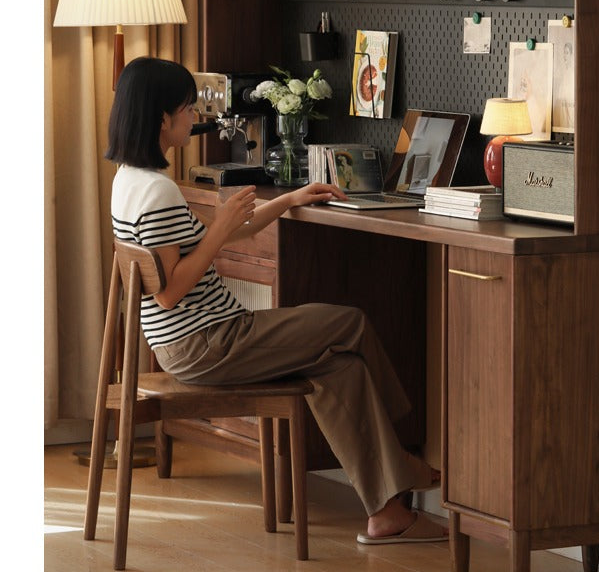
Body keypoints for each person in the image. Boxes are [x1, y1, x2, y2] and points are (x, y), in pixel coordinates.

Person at [105, 56, 445, 545]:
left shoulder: (128, 180)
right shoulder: (157, 192)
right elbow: (170, 290)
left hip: (200, 342)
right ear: (162, 118)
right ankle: (405, 448)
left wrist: (290, 199)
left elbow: (220, 240)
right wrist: (219, 226)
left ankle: (386, 513)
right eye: (186, 107)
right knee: (349, 323)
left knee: (340, 369)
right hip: (208, 344)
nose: (194, 116)